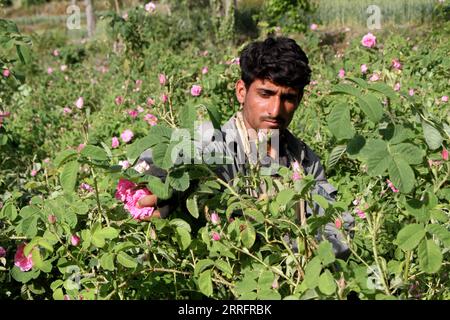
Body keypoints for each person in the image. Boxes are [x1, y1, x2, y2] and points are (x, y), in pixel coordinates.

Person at [136, 36, 354, 258]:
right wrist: (165, 180)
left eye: (288, 98)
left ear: (298, 101)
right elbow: (150, 163)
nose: (276, 109)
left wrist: (298, 255)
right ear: (241, 91)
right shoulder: (214, 143)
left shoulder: (305, 160)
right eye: (265, 94)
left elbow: (338, 232)